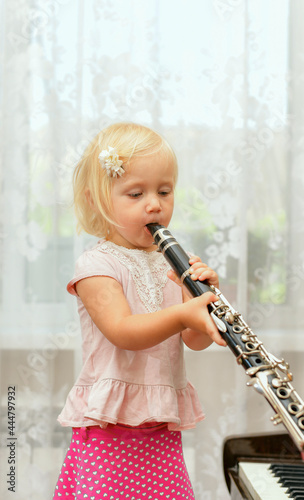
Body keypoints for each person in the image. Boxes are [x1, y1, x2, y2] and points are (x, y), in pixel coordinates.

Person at [53, 122, 226, 499]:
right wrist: (183, 313)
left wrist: (202, 303)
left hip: (160, 430)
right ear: (98, 201)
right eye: (136, 193)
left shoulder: (172, 262)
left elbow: (193, 341)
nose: (155, 204)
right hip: (108, 431)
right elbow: (123, 331)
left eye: (164, 191)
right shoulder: (96, 265)